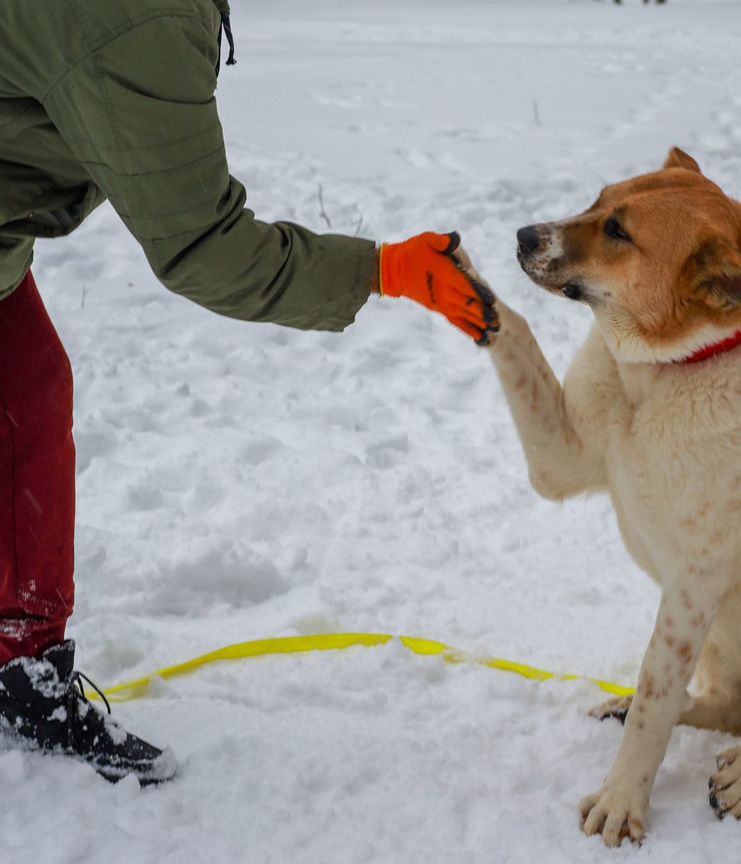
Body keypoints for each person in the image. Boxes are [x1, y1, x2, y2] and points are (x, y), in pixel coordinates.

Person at [0, 0, 497, 784]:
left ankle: (18, 665)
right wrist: (384, 270)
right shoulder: (138, 15)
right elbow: (203, 243)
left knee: (26, 394)